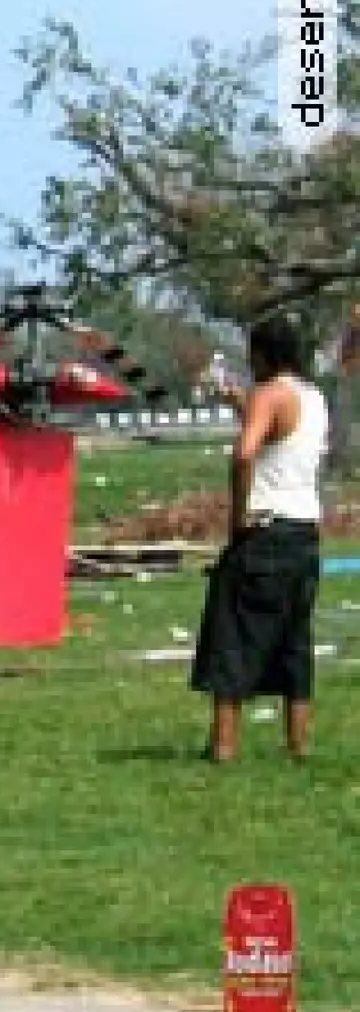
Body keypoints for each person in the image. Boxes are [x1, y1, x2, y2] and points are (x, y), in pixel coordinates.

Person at [190, 314, 329, 762]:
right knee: (293, 640)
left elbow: (246, 452)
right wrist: (235, 398)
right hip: (304, 534)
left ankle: (224, 747)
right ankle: (298, 746)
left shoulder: (268, 394)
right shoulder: (312, 397)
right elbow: (278, 433)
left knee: (231, 636)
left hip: (264, 531)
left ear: (263, 354)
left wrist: (239, 515)